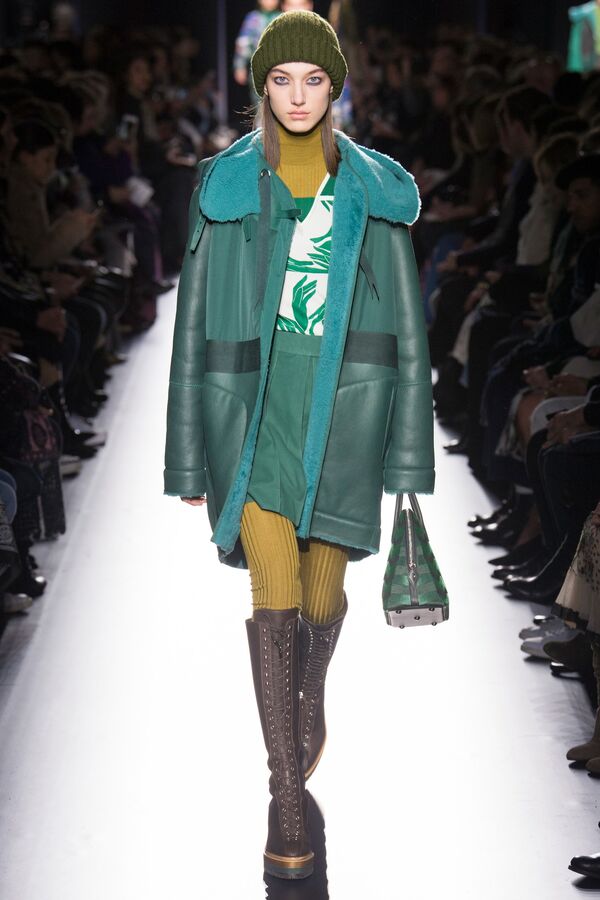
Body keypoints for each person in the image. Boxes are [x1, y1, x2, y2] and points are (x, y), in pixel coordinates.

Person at [163, 10, 434, 881]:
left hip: (346, 420)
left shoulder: (374, 191)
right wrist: (188, 454)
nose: (298, 96)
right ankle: (287, 802)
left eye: (314, 79)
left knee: (321, 599)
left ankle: (306, 703)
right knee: (272, 592)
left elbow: (410, 339)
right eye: (281, 79)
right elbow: (192, 325)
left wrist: (407, 458)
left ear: (335, 85)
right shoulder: (226, 187)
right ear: (261, 86)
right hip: (250, 418)